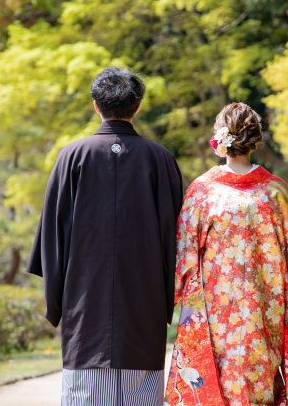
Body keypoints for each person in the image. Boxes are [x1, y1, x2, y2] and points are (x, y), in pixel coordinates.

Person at [27, 67, 184, 406]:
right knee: (142, 393)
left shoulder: (72, 156)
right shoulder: (159, 158)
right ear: (138, 106)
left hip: (85, 302)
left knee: (85, 395)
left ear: (95, 105)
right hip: (144, 302)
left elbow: (53, 239)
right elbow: (176, 239)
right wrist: (171, 297)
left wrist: (57, 301)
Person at [165, 102, 288, 406]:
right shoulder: (276, 191)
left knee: (218, 385)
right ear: (255, 140)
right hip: (265, 308)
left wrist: (175, 297)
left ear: (219, 140)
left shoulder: (203, 191)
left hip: (215, 311)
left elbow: (183, 255)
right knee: (258, 382)